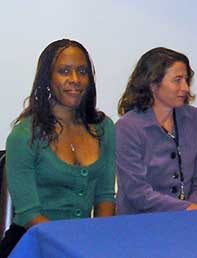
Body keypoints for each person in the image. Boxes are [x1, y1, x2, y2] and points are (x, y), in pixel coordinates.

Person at [0, 39, 115, 257]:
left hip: (83, 242)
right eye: (64, 71)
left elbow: (105, 198)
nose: (75, 80)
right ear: (47, 80)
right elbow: (28, 215)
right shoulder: (23, 136)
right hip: (33, 243)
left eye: (82, 71)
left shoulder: (104, 128)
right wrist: (69, 247)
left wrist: (99, 240)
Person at [115, 47, 197, 214]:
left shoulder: (194, 118)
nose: (186, 88)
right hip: (141, 222)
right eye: (177, 80)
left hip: (190, 218)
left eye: (186, 80)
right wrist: (187, 209)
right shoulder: (128, 127)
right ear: (153, 83)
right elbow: (138, 193)